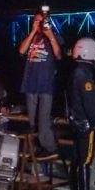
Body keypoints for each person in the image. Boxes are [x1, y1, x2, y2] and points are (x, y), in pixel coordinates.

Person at [18, 11, 62, 154]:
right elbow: (21, 50)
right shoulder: (31, 37)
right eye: (35, 21)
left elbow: (59, 55)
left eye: (41, 21)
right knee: (32, 122)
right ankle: (35, 150)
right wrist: (32, 32)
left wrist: (50, 36)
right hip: (30, 84)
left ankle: (50, 148)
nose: (38, 24)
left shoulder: (53, 37)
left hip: (46, 85)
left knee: (44, 120)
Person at [68, 37, 95, 190]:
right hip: (85, 124)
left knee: (76, 159)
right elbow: (90, 103)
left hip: (74, 122)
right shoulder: (85, 75)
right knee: (85, 160)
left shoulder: (74, 72)